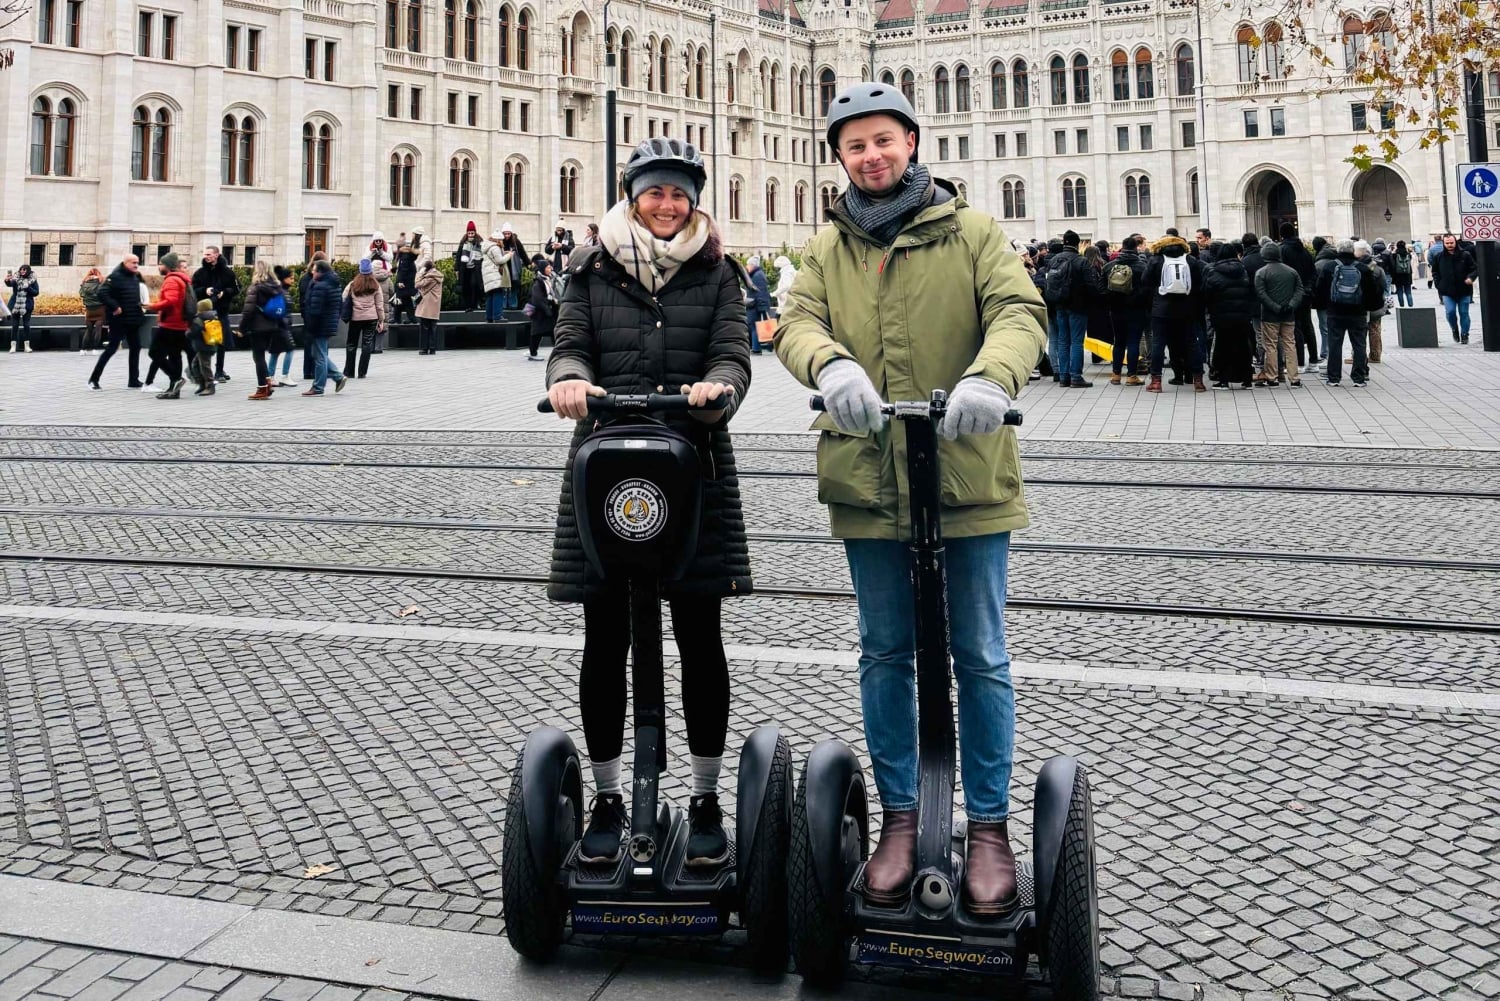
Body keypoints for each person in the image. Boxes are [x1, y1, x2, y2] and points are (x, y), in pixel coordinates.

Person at [776, 82, 1045, 916]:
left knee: (981, 653)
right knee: (884, 650)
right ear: (841, 159)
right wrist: (829, 364)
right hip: (868, 475)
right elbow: (794, 321)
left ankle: (991, 826)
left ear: (913, 143)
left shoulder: (973, 231)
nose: (872, 156)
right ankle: (901, 816)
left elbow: (1020, 312)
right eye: (855, 146)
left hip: (966, 471)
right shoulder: (826, 246)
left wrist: (989, 377)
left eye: (884, 140)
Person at [545, 136, 751, 870]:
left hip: (691, 466)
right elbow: (569, 345)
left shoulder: (718, 272)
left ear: (695, 201)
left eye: (680, 194)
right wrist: (570, 378)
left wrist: (719, 387)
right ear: (632, 195)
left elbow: (733, 351)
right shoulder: (589, 267)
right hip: (606, 477)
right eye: (654, 192)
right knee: (605, 639)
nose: (668, 206)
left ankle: (702, 796)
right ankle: (607, 795)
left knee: (700, 635)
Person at [1314, 239, 1383, 387]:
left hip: (1335, 312)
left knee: (1335, 345)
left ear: (1338, 250)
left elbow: (1320, 290)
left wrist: (1321, 305)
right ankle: (1359, 377)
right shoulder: (1362, 268)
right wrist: (1371, 306)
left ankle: (1334, 377)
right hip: (1358, 312)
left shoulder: (1330, 267)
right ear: (1352, 250)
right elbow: (1372, 291)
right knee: (1359, 345)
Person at [1143, 234, 1205, 392]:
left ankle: (1156, 381)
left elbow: (1145, 281)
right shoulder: (1190, 261)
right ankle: (1198, 380)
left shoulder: (1156, 260)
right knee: (1192, 343)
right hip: (1186, 309)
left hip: (1161, 309)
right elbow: (1199, 283)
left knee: (1158, 343)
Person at [1202, 241, 1256, 389]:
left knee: (1223, 346)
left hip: (1221, 315)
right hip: (1242, 315)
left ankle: (1224, 379)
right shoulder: (1243, 270)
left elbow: (1207, 294)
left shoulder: (1214, 271)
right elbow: (1249, 291)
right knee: (1244, 345)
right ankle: (1247, 379)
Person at [89, 254, 147, 390]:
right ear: (125, 263)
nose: (136, 265)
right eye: (133, 262)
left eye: (137, 262)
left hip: (132, 319)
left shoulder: (134, 276)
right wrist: (115, 307)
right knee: (111, 349)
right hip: (119, 321)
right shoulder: (115, 276)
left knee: (136, 348)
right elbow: (101, 293)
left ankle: (133, 380)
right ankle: (94, 379)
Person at [1253, 242, 1303, 387]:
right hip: (1288, 315)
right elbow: (1299, 290)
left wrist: (1275, 307)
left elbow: (1261, 294)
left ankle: (1272, 376)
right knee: (1290, 344)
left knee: (1270, 345)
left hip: (1270, 315)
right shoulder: (1291, 271)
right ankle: (1294, 378)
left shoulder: (1261, 272)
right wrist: (1291, 305)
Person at [145, 253, 193, 399]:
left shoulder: (171, 280)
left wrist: (152, 306)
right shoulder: (181, 279)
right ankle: (174, 390)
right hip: (180, 323)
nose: (159, 266)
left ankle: (175, 379)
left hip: (170, 323)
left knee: (154, 352)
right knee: (174, 355)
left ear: (167, 266)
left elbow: (171, 301)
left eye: (161, 263)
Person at [300, 260, 349, 395]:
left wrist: (311, 327)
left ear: (321, 272)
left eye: (315, 270)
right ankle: (338, 377)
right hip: (328, 322)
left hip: (320, 324)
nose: (312, 272)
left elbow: (315, 310)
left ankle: (318, 386)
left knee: (320, 355)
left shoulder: (320, 286)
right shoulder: (334, 283)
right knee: (318, 353)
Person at [238, 260, 286, 400]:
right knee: (262, 356)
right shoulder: (276, 287)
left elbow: (248, 310)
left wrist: (242, 328)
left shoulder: (256, 287)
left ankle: (263, 388)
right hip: (272, 325)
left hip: (257, 326)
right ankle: (267, 383)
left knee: (258, 357)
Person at [1104, 235, 1149, 385]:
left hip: (1115, 309)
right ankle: (1131, 376)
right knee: (1133, 342)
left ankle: (1116, 375)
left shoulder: (1109, 266)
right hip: (1136, 309)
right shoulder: (1142, 266)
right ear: (1136, 247)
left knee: (1118, 342)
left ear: (1122, 247)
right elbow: (1148, 289)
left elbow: (1100, 287)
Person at [192, 246, 239, 382]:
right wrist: (205, 291)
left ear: (217, 255)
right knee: (205, 342)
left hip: (221, 310)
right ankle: (203, 371)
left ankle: (219, 370)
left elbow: (236, 288)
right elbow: (193, 290)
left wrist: (225, 293)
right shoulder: (200, 273)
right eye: (205, 254)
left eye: (209, 254)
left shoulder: (227, 272)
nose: (206, 256)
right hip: (205, 313)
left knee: (221, 341)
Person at [342, 259, 387, 379]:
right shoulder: (375, 285)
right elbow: (379, 305)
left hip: (355, 318)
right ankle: (362, 372)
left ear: (360, 271)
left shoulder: (353, 284)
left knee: (351, 344)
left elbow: (343, 297)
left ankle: (349, 372)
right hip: (371, 318)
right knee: (367, 344)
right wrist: (381, 320)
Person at [1432, 233, 1478, 343]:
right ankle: (1454, 329)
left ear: (1455, 242)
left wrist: (1471, 278)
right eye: (1447, 243)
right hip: (1447, 291)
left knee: (1464, 313)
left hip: (1464, 289)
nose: (1449, 245)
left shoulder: (1465, 254)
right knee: (1450, 312)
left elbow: (1475, 269)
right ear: (1443, 243)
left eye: (1451, 243)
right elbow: (1435, 272)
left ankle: (1465, 334)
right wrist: (1439, 285)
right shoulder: (1439, 257)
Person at [264, 265, 299, 387]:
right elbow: (279, 309)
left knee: (275, 351)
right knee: (290, 349)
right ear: (284, 278)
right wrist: (284, 322)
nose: (293, 281)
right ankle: (285, 375)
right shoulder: (281, 292)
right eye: (291, 278)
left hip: (279, 325)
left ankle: (270, 376)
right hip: (282, 326)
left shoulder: (281, 290)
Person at [526, 254, 557, 361]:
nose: (550, 269)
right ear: (543, 269)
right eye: (548, 267)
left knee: (553, 331)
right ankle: (533, 353)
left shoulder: (547, 279)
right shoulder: (539, 282)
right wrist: (547, 308)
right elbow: (537, 298)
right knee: (536, 333)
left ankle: (558, 352)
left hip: (545, 311)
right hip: (540, 313)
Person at [5, 264, 39, 352]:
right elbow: (10, 283)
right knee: (15, 325)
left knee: (26, 325)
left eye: (24, 270)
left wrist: (28, 288)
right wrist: (7, 280)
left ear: (28, 271)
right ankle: (13, 346)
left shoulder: (33, 280)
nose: (22, 271)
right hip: (15, 305)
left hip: (27, 305)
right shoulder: (16, 278)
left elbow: (36, 292)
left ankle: (27, 346)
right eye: (21, 270)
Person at [481, 229, 514, 322]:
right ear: (498, 239)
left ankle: (489, 317)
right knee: (498, 294)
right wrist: (509, 255)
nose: (502, 241)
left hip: (488, 274)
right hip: (494, 274)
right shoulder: (495, 248)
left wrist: (504, 253)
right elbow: (499, 261)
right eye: (501, 240)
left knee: (490, 295)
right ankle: (497, 316)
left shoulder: (488, 246)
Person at [414, 259, 444, 354]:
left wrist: (420, 273)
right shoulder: (437, 275)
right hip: (434, 305)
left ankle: (424, 348)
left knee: (424, 327)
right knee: (433, 327)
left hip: (427, 305)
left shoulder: (430, 277)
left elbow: (417, 284)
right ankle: (432, 348)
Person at [744, 255, 773, 355]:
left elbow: (761, 293)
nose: (746, 266)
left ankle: (756, 349)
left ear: (753, 265)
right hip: (753, 305)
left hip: (755, 305)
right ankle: (756, 347)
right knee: (753, 326)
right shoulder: (755, 274)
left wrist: (762, 307)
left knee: (755, 326)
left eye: (748, 264)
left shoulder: (757, 275)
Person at [454, 222, 485, 312]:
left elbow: (483, 255)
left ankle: (473, 305)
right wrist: (456, 269)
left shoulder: (479, 243)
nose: (470, 235)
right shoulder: (463, 242)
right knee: (466, 286)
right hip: (465, 268)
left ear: (475, 233)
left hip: (475, 268)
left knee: (474, 284)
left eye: (472, 233)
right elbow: (458, 256)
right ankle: (467, 305)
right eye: (469, 233)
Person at [500, 225, 528, 308]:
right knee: (504, 287)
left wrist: (528, 263)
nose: (507, 236)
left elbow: (522, 253)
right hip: (504, 267)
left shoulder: (516, 242)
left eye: (508, 234)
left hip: (514, 268)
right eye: (505, 234)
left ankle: (513, 305)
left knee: (514, 286)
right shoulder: (500, 242)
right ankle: (504, 305)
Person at [79, 267, 105, 354]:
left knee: (88, 330)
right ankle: (94, 349)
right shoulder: (101, 283)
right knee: (98, 330)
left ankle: (83, 350)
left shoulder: (84, 284)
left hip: (89, 310)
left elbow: (81, 294)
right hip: (100, 309)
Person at [1390, 240, 1415, 307]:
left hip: (1398, 275)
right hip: (1407, 274)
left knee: (1399, 291)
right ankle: (1410, 304)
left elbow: (1392, 265)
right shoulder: (1408, 255)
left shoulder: (1394, 255)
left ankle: (1402, 305)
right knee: (1408, 291)